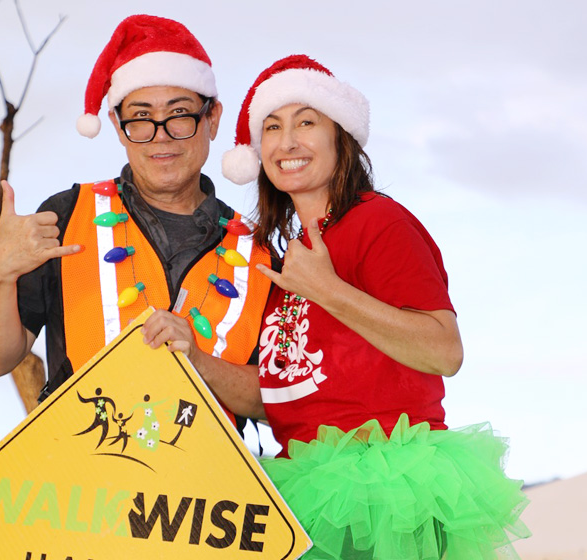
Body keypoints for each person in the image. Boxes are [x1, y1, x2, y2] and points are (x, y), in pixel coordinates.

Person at [198, 54, 525, 559]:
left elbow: (444, 350)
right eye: (272, 127)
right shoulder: (290, 260)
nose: (287, 142)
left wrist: (328, 290)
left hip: (386, 493)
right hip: (307, 487)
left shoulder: (379, 223)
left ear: (340, 138)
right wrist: (190, 357)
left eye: (307, 121)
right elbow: (282, 396)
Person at [0, 15, 272, 422]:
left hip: (205, 484)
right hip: (81, 478)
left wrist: (199, 361)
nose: (160, 135)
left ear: (213, 118)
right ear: (116, 124)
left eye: (180, 113)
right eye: (141, 118)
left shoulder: (259, 252)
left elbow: (273, 405)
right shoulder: (65, 215)